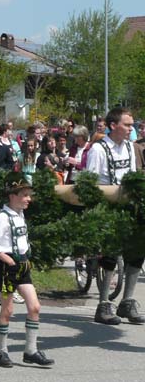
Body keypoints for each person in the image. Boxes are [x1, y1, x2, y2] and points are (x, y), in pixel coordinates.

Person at [0, 171, 54, 368]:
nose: (28, 199)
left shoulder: (19, 215)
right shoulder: (2, 218)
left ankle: (31, 350)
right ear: (13, 195)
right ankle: (1, 352)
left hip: (23, 266)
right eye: (25, 195)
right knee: (7, 311)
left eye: (29, 195)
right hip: (8, 269)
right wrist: (10, 261)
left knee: (34, 307)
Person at [87, 107, 144, 325]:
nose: (132, 128)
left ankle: (127, 302)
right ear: (113, 126)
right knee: (110, 254)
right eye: (128, 125)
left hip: (128, 206)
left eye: (132, 125)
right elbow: (89, 184)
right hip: (106, 207)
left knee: (138, 250)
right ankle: (103, 305)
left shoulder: (130, 147)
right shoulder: (98, 149)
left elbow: (131, 176)